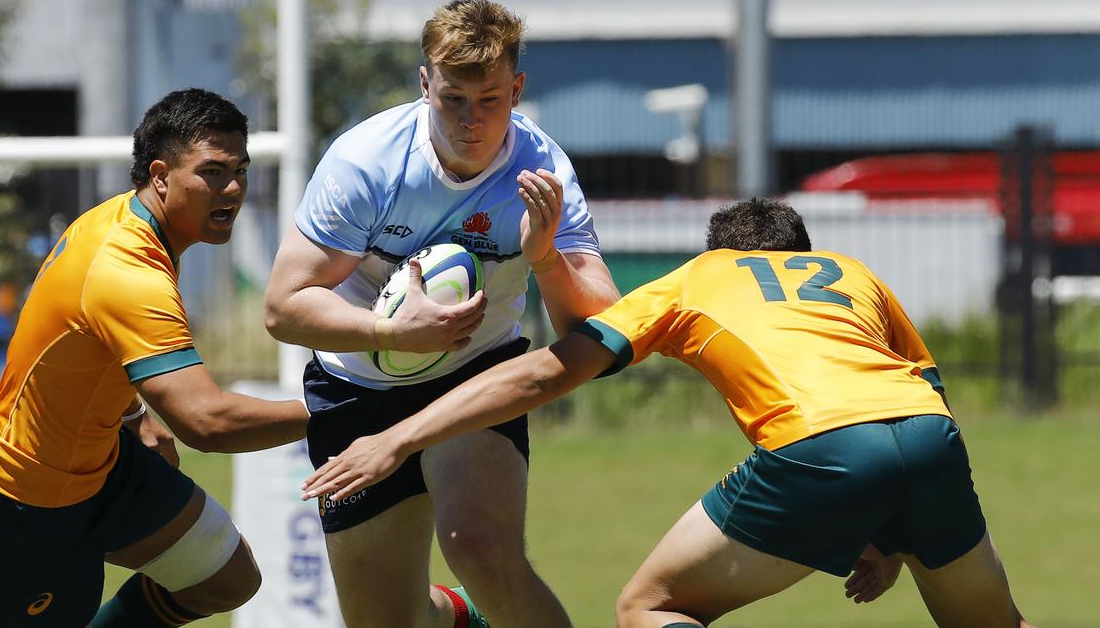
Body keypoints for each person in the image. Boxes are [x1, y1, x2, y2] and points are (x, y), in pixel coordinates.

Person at [302, 197, 1036, 628]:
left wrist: (398, 437)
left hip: (818, 447)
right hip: (931, 440)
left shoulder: (698, 277)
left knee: (649, 606)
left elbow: (542, 375)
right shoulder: (855, 276)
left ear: (721, 251)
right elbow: (914, 407)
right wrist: (893, 533)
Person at [264, 0, 619, 628]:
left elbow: (606, 326)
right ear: (425, 83)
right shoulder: (365, 164)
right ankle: (455, 619)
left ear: (517, 88)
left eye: (489, 100)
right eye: (453, 98)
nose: (471, 120)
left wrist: (545, 260)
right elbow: (283, 308)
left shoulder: (542, 170)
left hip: (475, 373)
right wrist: (389, 330)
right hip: (357, 384)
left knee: (481, 551)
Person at [0, 88, 310, 628]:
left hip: (104, 465)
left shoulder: (128, 223)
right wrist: (341, 410)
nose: (233, 188)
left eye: (240, 169)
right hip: (20, 499)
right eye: (212, 172)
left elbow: (84, 344)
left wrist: (135, 416)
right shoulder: (128, 269)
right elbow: (205, 422)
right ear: (161, 176)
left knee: (228, 577)